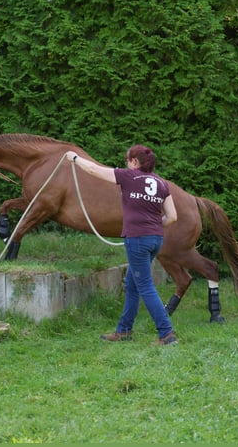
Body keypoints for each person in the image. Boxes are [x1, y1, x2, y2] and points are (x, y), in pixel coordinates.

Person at [65, 145, 178, 346]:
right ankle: (124, 331)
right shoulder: (162, 183)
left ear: (135, 162)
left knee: (145, 285)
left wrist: (74, 158)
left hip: (137, 239)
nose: (126, 163)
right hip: (155, 240)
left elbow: (93, 170)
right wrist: (153, 224)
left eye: (127, 160)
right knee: (132, 284)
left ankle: (166, 334)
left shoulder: (128, 176)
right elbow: (172, 217)